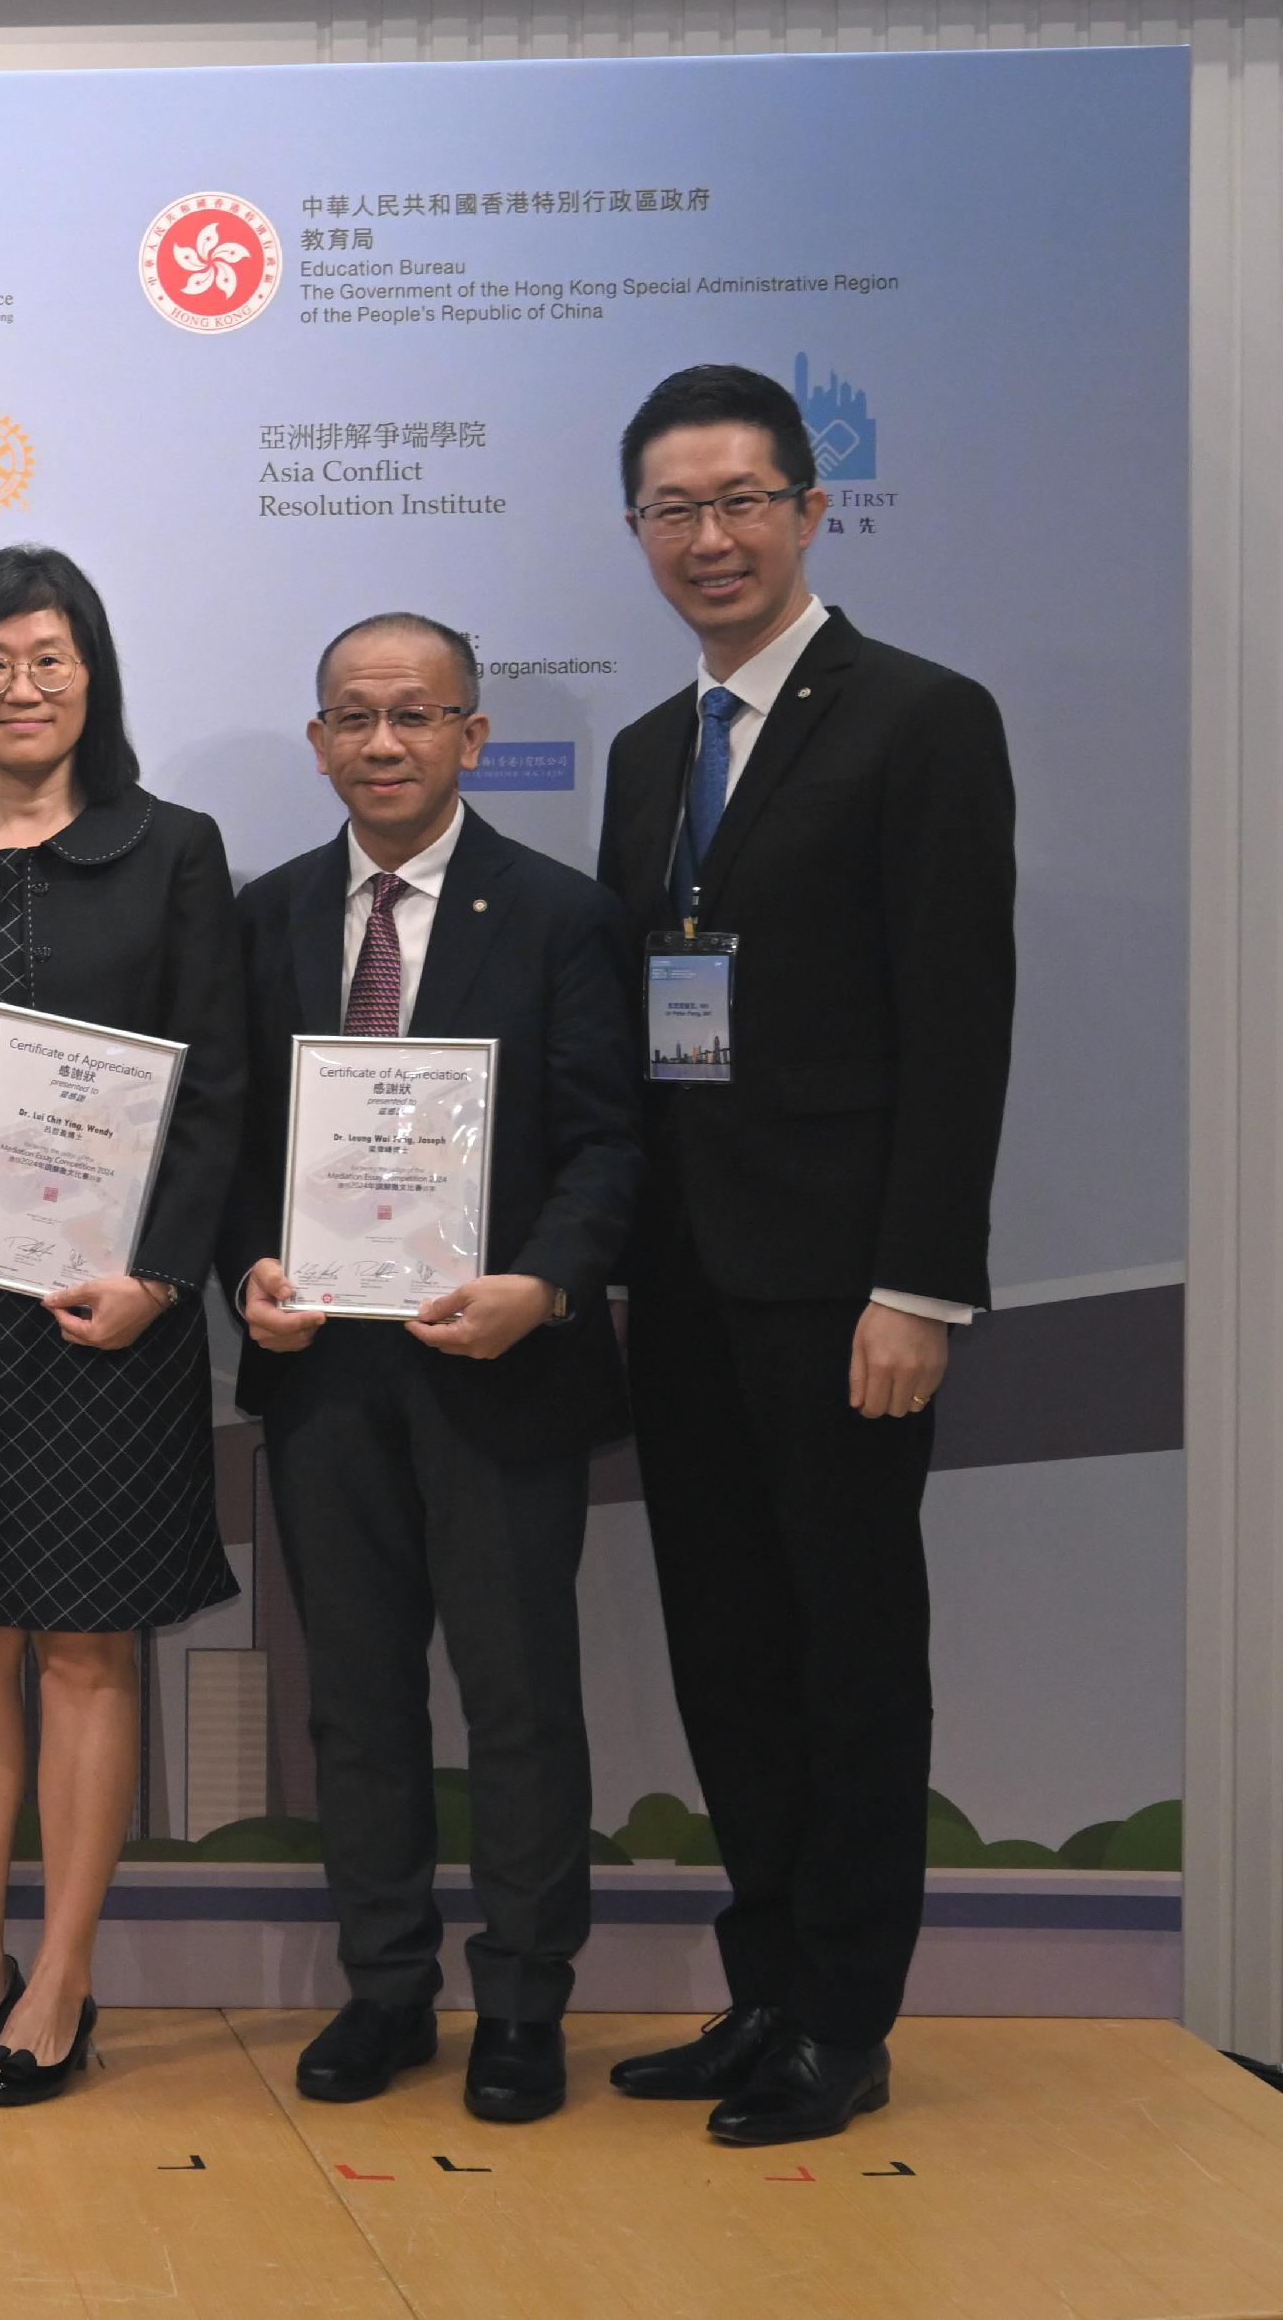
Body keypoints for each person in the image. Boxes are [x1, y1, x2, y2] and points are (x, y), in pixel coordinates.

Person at [592, 364, 1016, 2146]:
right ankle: (762, 1986)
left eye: (742, 501)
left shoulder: (921, 719)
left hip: (847, 1297)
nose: (712, 539)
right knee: (728, 1650)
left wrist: (918, 1286)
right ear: (639, 533)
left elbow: (961, 1018)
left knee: (851, 1652)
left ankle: (849, 2016)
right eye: (675, 511)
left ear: (812, 510)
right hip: (679, 1289)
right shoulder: (645, 753)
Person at [225, 613, 641, 2125]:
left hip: (501, 1370)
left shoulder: (560, 915)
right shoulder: (263, 916)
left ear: (472, 735)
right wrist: (246, 1276)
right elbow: (229, 1149)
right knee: (356, 1702)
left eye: (418, 714)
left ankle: (523, 2003)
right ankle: (387, 1990)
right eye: (355, 716)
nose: (384, 743)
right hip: (325, 1379)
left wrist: (547, 1284)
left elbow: (609, 1141)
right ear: (320, 738)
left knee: (520, 1698)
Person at [0, 544, 242, 2108]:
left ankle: (62, 1977)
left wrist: (156, 1271)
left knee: (86, 1648)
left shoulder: (173, 853)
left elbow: (215, 1090)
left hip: (109, 1317)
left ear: (97, 678)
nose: (23, 689)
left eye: (51, 659)